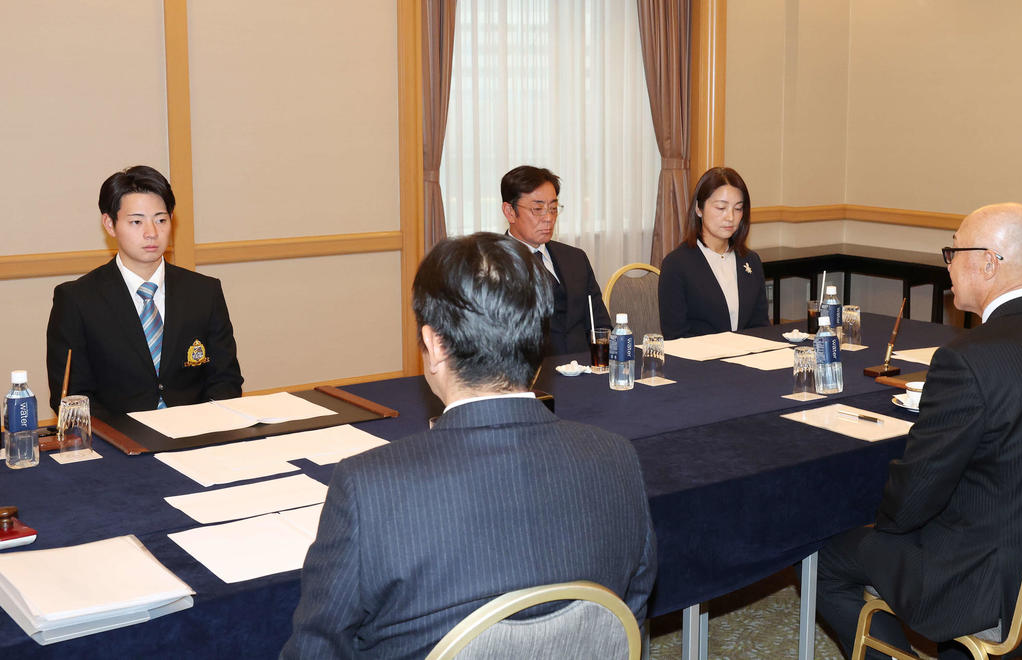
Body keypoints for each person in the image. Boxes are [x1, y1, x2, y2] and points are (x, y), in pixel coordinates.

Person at [282, 232, 657, 659]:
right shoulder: (617, 457)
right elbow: (632, 614)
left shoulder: (368, 486)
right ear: (538, 340)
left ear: (435, 344)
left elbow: (315, 651)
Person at [816, 203, 1022, 659]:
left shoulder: (969, 359)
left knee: (827, 557)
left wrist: (881, 526)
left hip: (987, 582)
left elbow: (914, 496)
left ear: (989, 262)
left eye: (953, 251)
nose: (948, 265)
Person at [45, 165, 242, 419]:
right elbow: (71, 397)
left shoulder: (204, 292)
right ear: (110, 224)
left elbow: (225, 380)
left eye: (161, 220)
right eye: (136, 222)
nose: (152, 233)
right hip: (117, 445)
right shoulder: (76, 300)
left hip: (197, 437)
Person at [500, 165, 611, 356]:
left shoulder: (576, 259)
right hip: (532, 378)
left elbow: (599, 324)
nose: (549, 218)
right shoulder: (492, 267)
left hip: (586, 372)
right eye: (538, 209)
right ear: (510, 211)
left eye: (553, 208)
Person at [658, 167, 770, 339]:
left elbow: (761, 328)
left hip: (747, 359)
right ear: (699, 209)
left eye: (738, 209)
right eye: (721, 208)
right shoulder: (676, 265)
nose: (730, 217)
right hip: (698, 363)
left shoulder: (751, 261)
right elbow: (675, 337)